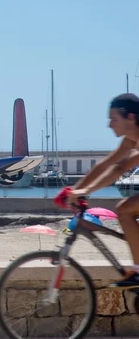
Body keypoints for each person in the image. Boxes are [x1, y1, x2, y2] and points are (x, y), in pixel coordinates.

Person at [66, 93, 139, 288]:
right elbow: (106, 164)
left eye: (114, 119)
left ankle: (138, 271)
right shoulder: (130, 140)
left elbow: (120, 168)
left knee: (124, 209)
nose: (109, 125)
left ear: (131, 118)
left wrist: (86, 190)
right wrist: (76, 189)